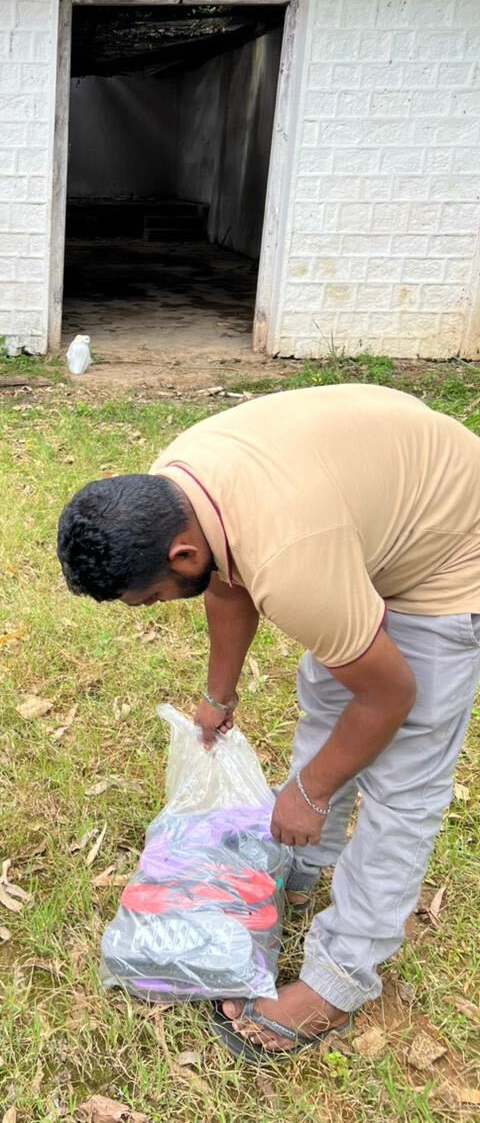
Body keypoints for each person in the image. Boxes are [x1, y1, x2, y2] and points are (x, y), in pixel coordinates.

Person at [57, 385, 480, 1062]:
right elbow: (227, 581)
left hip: (454, 544)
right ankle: (306, 862)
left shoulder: (291, 561)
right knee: (330, 693)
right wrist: (219, 698)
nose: (155, 606)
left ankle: (338, 983)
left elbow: (391, 695)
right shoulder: (177, 489)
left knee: (404, 776)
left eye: (151, 599)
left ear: (180, 555)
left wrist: (309, 792)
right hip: (367, 510)